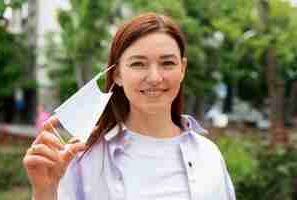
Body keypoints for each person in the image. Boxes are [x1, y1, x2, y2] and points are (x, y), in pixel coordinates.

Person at [23, 12, 236, 200]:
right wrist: (44, 193)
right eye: (138, 64)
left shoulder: (209, 155)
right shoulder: (83, 158)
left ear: (183, 69)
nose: (154, 77)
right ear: (117, 74)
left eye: (167, 63)